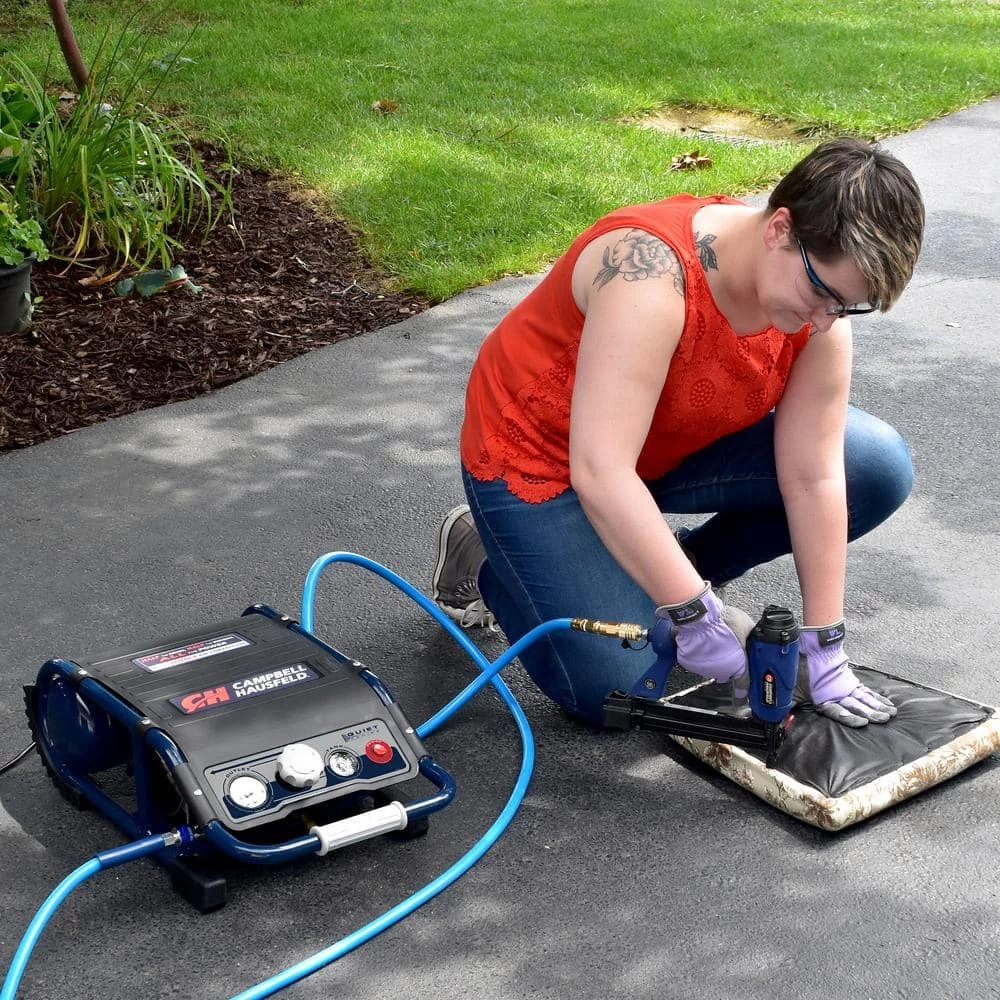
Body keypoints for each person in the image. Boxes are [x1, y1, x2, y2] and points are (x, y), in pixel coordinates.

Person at [431, 138, 924, 731]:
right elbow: (601, 470)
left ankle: (662, 571)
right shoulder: (649, 277)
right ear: (779, 229)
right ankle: (489, 554)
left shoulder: (816, 314)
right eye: (821, 292)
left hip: (659, 446)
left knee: (873, 466)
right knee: (617, 689)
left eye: (847, 307)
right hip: (541, 460)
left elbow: (814, 474)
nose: (826, 321)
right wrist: (694, 613)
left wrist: (825, 640)